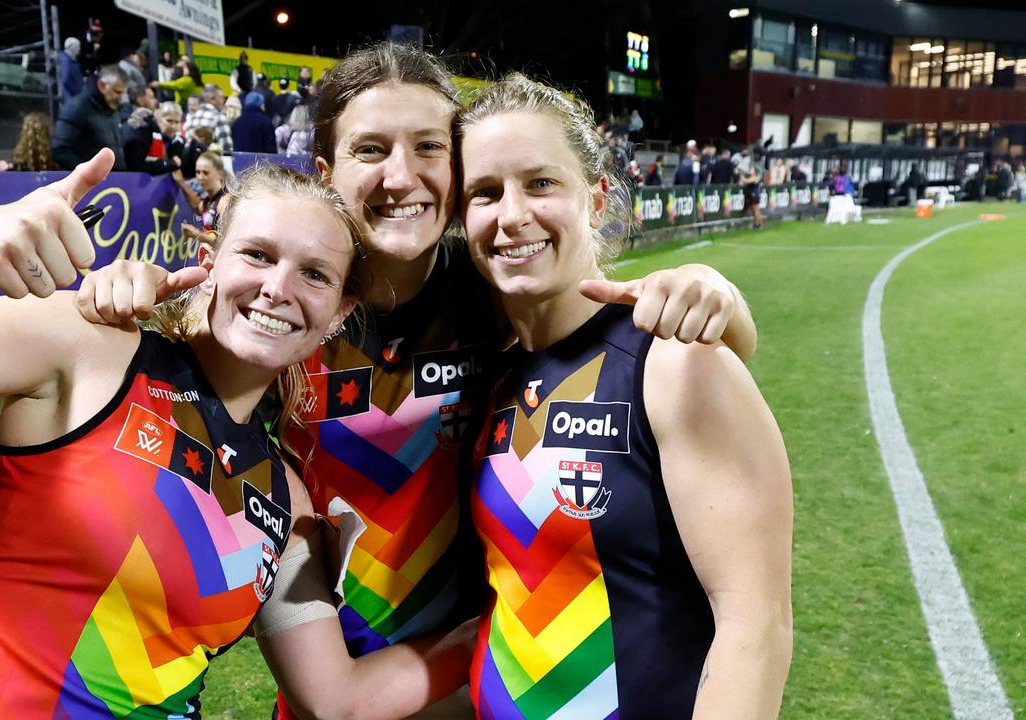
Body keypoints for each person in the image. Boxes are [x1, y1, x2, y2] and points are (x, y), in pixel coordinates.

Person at [75, 42, 759, 719]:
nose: (401, 176)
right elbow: (159, 352)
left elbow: (613, 342)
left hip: (470, 689)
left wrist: (712, 290)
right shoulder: (280, 313)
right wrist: (119, 291)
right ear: (326, 170)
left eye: (429, 148)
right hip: (334, 678)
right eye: (371, 150)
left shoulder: (492, 289)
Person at [0, 151, 468, 717]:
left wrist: (513, 640)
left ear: (340, 313)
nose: (279, 287)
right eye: (257, 255)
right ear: (210, 259)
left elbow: (335, 700)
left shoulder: (290, 501)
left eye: (314, 274)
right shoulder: (92, 348)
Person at [456, 72, 792, 720]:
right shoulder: (495, 375)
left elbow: (758, 627)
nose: (512, 214)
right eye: (485, 192)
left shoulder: (674, 361)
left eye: (541, 183)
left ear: (597, 198)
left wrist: (710, 284)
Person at [52, 64, 127, 171]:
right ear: (101, 85)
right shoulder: (77, 107)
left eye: (123, 93)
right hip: (91, 183)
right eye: (117, 92)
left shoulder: (112, 110)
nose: (120, 99)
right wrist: (88, 174)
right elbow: (60, 149)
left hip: (115, 183)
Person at [184, 83, 234, 155]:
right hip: (212, 163)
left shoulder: (191, 119)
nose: (223, 100)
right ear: (212, 99)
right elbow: (226, 150)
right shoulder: (219, 118)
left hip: (193, 164)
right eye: (221, 97)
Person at [59, 37, 84, 104]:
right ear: (73, 47)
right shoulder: (66, 61)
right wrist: (78, 92)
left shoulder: (70, 60)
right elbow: (66, 79)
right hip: (71, 98)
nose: (79, 49)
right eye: (78, 47)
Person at [742, 161, 764, 229]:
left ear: (754, 171)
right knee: (753, 210)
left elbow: (745, 181)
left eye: (752, 169)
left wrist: (741, 175)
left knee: (756, 210)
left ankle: (758, 224)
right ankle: (756, 223)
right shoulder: (753, 177)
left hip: (754, 194)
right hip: (752, 194)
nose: (750, 170)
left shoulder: (755, 177)